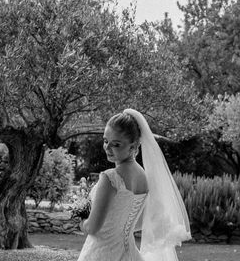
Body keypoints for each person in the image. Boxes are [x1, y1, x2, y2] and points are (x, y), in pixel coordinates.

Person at [77, 108, 190, 261]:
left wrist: (81, 219)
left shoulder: (110, 178)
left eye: (116, 144)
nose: (107, 148)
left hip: (101, 254)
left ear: (133, 146)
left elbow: (93, 228)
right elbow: (138, 222)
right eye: (105, 141)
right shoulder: (144, 176)